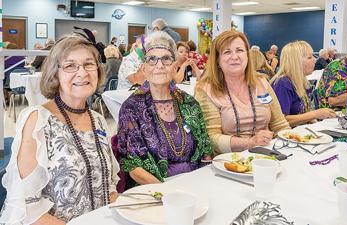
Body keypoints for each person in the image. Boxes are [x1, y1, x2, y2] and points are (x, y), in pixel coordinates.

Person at [0, 35, 120, 224]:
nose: (82, 73)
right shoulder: (37, 120)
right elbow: (28, 207)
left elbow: (108, 187)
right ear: (55, 74)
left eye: (89, 64)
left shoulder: (97, 120)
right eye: (70, 66)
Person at [117, 31, 212, 187]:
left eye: (166, 59)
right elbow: (133, 166)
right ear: (144, 67)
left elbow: (206, 151)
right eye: (152, 59)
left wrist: (203, 185)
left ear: (175, 66)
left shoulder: (189, 103)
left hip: (195, 185)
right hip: (153, 191)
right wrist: (167, 193)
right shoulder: (131, 108)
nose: (159, 65)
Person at [195, 30, 290, 154]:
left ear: (247, 55)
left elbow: (280, 124)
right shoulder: (206, 90)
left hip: (266, 156)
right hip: (229, 163)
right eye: (227, 52)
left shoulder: (261, 82)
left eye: (239, 50)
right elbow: (211, 138)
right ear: (217, 60)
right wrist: (250, 142)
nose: (235, 57)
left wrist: (292, 144)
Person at [270, 41, 336, 127]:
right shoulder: (282, 84)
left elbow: (304, 112)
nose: (315, 60)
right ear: (296, 62)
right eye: (309, 57)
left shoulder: (302, 81)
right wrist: (314, 114)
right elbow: (280, 120)